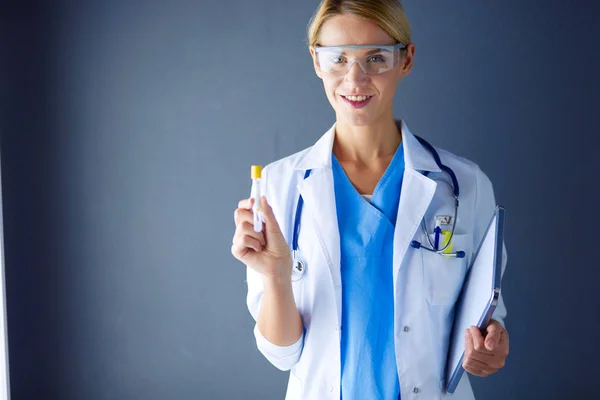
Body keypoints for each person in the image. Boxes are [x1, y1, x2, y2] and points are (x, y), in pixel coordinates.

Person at [231, 1, 509, 398]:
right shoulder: (277, 187)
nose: (355, 79)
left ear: (406, 59)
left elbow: (487, 318)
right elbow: (281, 354)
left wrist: (491, 347)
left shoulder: (465, 185)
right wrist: (277, 275)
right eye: (338, 58)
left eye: (375, 58)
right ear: (315, 61)